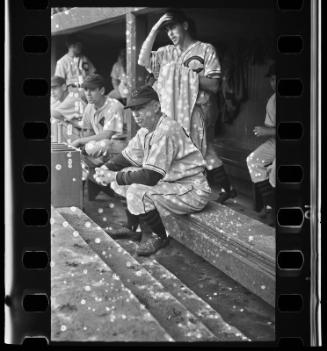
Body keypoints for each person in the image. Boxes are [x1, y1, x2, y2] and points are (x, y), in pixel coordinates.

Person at [94, 85, 211, 256]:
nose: (136, 114)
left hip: (192, 190)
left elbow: (150, 177)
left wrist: (114, 176)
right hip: (172, 183)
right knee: (122, 180)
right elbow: (125, 158)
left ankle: (160, 237)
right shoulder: (146, 131)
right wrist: (105, 169)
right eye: (133, 109)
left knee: (136, 190)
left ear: (156, 106)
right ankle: (132, 228)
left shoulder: (167, 130)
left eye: (141, 108)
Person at [138, 9, 236, 204]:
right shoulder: (166, 52)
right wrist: (155, 29)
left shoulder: (205, 49)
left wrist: (184, 75)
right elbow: (142, 60)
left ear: (185, 25)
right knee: (198, 152)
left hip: (197, 111)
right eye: (166, 30)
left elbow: (214, 84)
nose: (170, 33)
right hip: (170, 112)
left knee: (196, 152)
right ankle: (225, 188)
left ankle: (195, 193)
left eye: (173, 27)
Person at [71, 74, 125, 173]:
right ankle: (95, 168)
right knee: (80, 151)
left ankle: (99, 166)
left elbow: (107, 135)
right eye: (86, 90)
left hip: (119, 146)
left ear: (102, 91)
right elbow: (88, 132)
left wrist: (80, 142)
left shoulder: (114, 106)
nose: (88, 94)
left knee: (102, 145)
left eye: (92, 90)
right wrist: (83, 146)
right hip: (101, 148)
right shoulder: (89, 107)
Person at [246, 63, 276, 226]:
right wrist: (267, 131)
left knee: (274, 170)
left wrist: (268, 132)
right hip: (276, 142)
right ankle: (270, 204)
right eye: (272, 79)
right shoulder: (272, 100)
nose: (274, 83)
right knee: (253, 160)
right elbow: (272, 129)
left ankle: (273, 208)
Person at [50, 76, 87, 143]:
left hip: (86, 135)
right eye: (50, 89)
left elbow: (53, 113)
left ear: (64, 87)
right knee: (57, 121)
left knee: (55, 121)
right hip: (79, 132)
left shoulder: (71, 99)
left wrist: (63, 121)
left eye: (54, 88)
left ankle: (56, 146)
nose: (52, 92)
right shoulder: (63, 99)